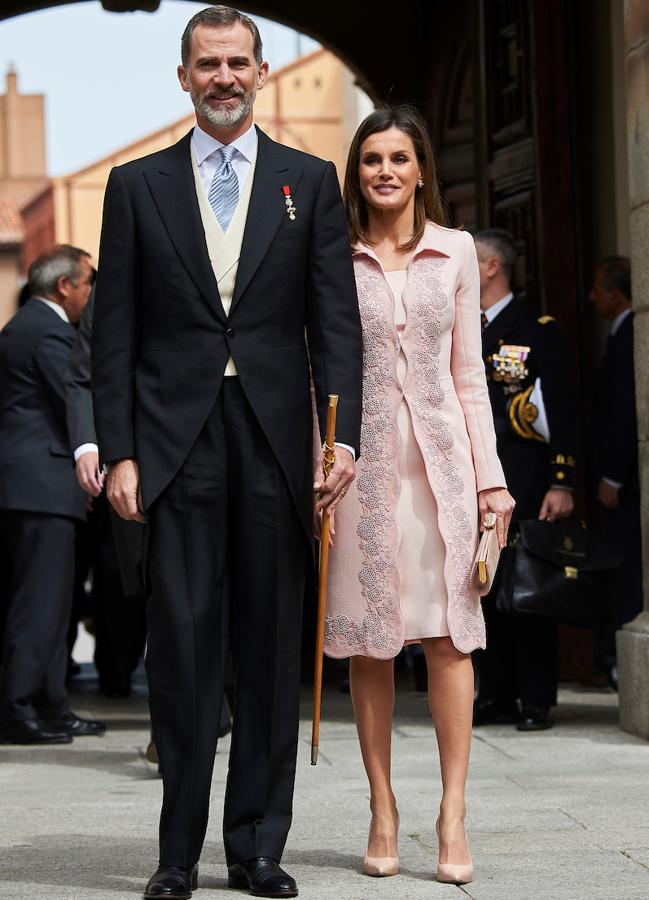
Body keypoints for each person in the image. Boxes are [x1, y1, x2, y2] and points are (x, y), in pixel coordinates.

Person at [91, 6, 362, 899]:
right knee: (183, 648)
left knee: (270, 645)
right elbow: (114, 334)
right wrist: (121, 450)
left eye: (238, 63)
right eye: (207, 64)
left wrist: (342, 436)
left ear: (260, 73)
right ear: (183, 77)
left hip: (278, 440)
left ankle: (256, 846)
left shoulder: (309, 182)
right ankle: (177, 854)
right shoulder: (136, 186)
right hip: (175, 443)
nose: (224, 78)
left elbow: (337, 326)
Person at [324, 105, 514, 887]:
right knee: (371, 645)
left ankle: (452, 813)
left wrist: (491, 478)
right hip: (359, 473)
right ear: (356, 173)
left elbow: (470, 374)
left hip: (442, 468)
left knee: (447, 640)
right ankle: (381, 807)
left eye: (399, 158)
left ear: (421, 168)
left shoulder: (457, 250)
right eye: (371, 160)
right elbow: (318, 369)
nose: (385, 172)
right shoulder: (333, 254)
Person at [0, 245, 105, 744]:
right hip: (41, 486)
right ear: (65, 285)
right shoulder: (48, 333)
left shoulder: (23, 326)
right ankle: (18, 707)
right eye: (90, 282)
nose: (93, 292)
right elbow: (74, 400)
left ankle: (50, 704)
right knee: (39, 604)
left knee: (53, 602)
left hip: (35, 487)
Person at [472, 228, 576, 731]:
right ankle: (493, 692)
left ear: (491, 267)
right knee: (483, 585)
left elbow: (563, 409)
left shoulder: (536, 328)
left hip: (527, 478)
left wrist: (563, 480)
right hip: (475, 477)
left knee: (527, 588)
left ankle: (534, 697)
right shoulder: (463, 324)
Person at [67, 286, 148, 698]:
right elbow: (85, 373)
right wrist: (89, 445)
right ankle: (118, 673)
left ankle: (211, 701)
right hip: (133, 458)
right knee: (126, 581)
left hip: (212, 452)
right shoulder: (115, 284)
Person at [590, 256, 642, 687]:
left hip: (624, 483)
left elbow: (626, 411)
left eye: (599, 289)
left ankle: (616, 657)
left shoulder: (630, 336)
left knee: (624, 567)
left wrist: (613, 476)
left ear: (617, 294)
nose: (592, 297)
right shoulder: (621, 332)